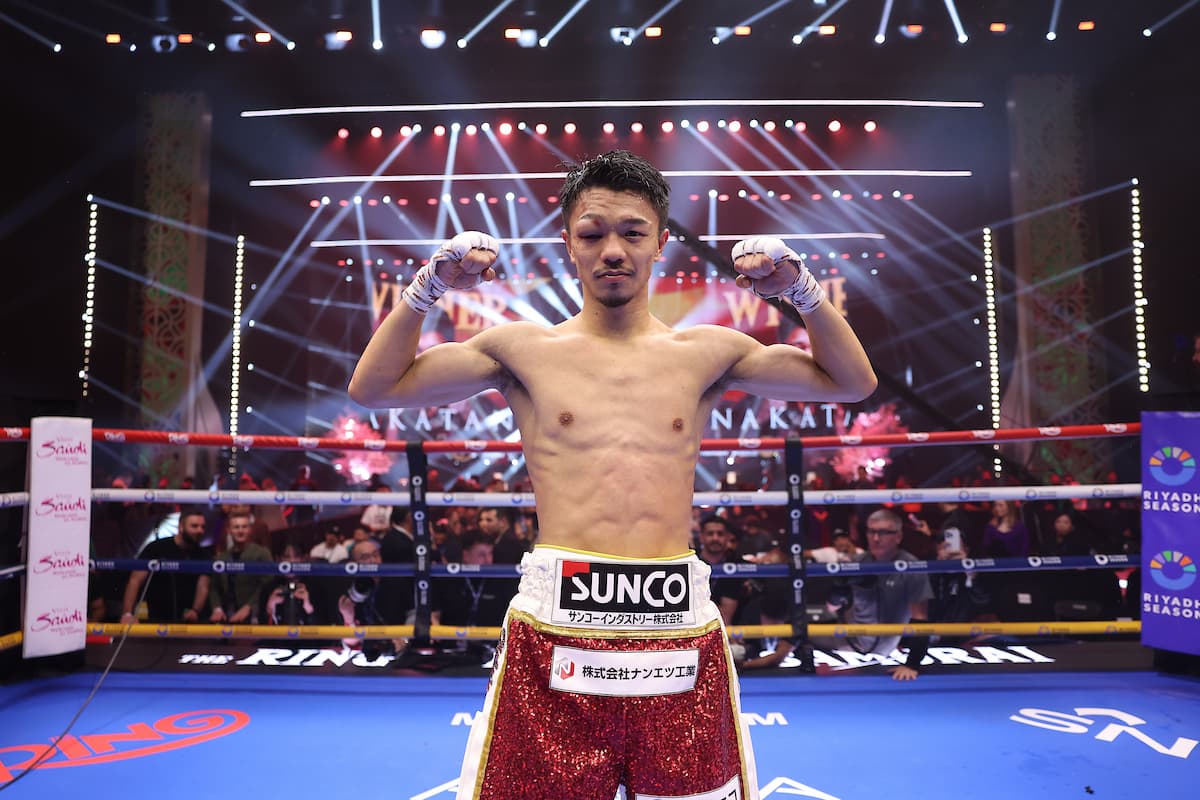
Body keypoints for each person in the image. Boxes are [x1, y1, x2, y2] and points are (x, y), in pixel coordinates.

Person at [348, 150, 876, 800]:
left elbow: (852, 384)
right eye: (593, 233)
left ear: (659, 242)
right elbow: (375, 389)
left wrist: (803, 292)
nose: (613, 250)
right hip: (555, 628)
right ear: (568, 243)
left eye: (632, 231)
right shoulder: (523, 350)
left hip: (676, 628)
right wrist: (429, 284)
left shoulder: (708, 352)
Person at [827, 508, 932, 681]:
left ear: (898, 536)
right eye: (872, 532)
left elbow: (920, 618)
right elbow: (831, 607)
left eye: (884, 533)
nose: (876, 538)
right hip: (849, 646)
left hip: (887, 650)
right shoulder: (857, 563)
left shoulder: (911, 566)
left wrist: (912, 664)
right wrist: (839, 589)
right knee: (799, 635)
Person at [120, 508, 212, 624]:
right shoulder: (156, 548)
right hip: (156, 617)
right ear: (181, 527)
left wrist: (195, 610)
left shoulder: (204, 554)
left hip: (188, 620)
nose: (200, 530)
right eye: (194, 526)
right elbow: (135, 581)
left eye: (202, 527)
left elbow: (203, 586)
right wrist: (127, 613)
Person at [208, 509, 274, 624]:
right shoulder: (221, 557)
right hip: (226, 616)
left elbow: (267, 584)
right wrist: (217, 609)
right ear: (229, 530)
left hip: (256, 615)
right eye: (236, 527)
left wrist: (249, 606)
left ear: (250, 529)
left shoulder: (262, 554)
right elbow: (214, 587)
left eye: (244, 527)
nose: (240, 531)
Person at [695, 513, 743, 624]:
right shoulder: (690, 561)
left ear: (727, 537)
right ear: (701, 537)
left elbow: (726, 616)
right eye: (710, 534)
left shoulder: (735, 564)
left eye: (720, 534)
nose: (715, 538)